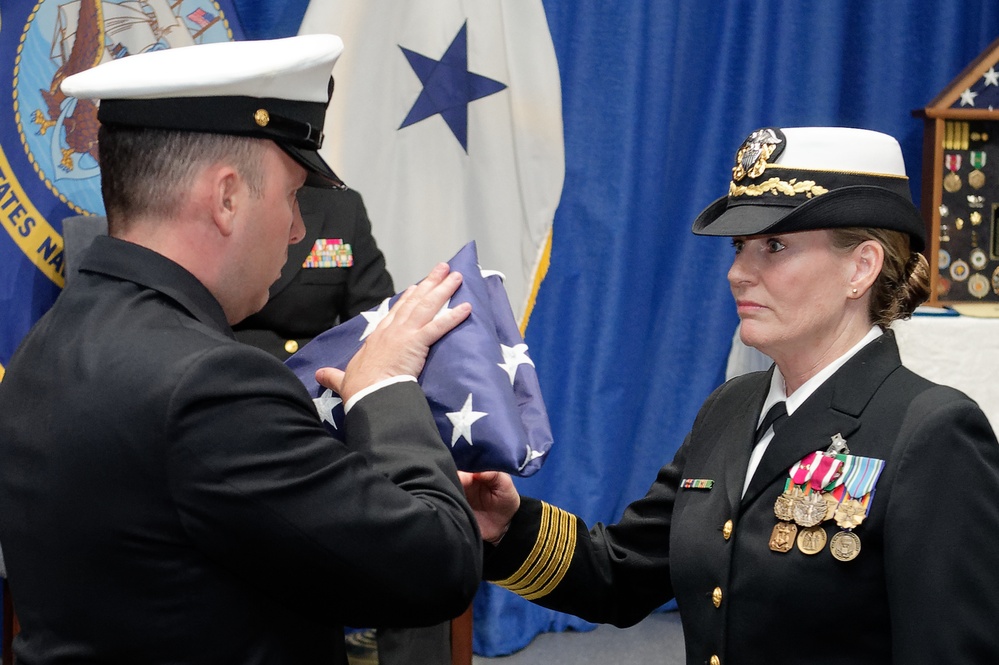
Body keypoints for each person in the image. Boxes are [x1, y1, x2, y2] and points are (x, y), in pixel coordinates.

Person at [0, 34, 482, 664]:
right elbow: (437, 566)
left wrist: (381, 506)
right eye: (289, 195)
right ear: (226, 198)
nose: (298, 227)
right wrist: (384, 388)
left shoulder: (47, 346)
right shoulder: (212, 386)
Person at [460, 127, 999, 664]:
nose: (738, 273)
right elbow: (625, 574)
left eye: (775, 246)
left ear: (861, 267)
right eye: (742, 247)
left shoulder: (931, 431)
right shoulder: (734, 405)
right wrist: (508, 526)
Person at [233, 185, 396, 360]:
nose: (299, 232)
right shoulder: (216, 198)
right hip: (224, 368)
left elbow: (374, 318)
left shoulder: (339, 206)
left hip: (312, 372)